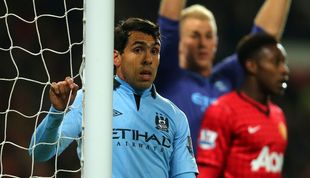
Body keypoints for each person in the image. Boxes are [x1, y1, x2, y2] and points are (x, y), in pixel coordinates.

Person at [29, 17, 198, 178]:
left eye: (154, 51)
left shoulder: (175, 116)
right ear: (116, 57)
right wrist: (56, 113)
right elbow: (39, 152)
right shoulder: (90, 100)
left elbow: (184, 174)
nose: (148, 59)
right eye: (138, 49)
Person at [155, 0, 292, 152]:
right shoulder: (167, 76)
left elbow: (262, 41)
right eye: (195, 35)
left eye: (209, 36)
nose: (203, 43)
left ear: (216, 42)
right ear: (178, 41)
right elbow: (168, 23)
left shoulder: (227, 78)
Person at [196, 33, 289, 178]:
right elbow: (207, 172)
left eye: (284, 63)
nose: (284, 70)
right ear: (252, 66)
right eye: (276, 62)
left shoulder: (278, 115)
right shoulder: (223, 110)